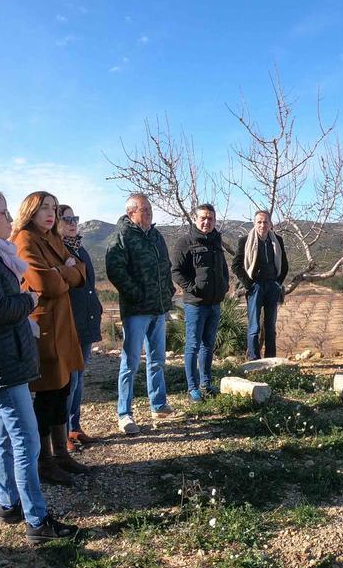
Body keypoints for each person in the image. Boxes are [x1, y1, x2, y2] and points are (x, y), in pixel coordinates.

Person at [0, 192, 76, 545]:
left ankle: (8, 502)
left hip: (7, 357)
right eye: (2, 214)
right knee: (26, 440)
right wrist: (29, 300)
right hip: (2, 361)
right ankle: (36, 520)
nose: (9, 219)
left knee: (7, 436)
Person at [11, 192, 88, 483]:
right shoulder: (25, 239)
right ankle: (44, 461)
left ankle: (61, 454)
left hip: (62, 325)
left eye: (53, 208)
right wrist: (61, 272)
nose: (51, 213)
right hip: (45, 328)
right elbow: (45, 283)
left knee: (62, 390)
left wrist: (63, 272)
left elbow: (81, 274)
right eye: (44, 208)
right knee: (47, 395)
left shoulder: (52, 238)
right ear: (30, 209)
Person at [105, 193, 177, 433]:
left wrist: (167, 292)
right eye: (144, 210)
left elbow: (165, 266)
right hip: (136, 310)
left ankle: (158, 404)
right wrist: (136, 293)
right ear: (131, 212)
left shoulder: (155, 235)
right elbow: (115, 269)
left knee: (157, 360)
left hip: (157, 308)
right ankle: (124, 413)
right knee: (130, 362)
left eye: (149, 209)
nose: (149, 213)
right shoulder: (122, 235)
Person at [171, 203, 229, 401]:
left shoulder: (216, 241)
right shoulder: (185, 242)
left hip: (214, 303)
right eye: (203, 218)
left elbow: (223, 268)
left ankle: (206, 384)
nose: (207, 221)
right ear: (195, 219)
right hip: (195, 304)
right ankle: (192, 388)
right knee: (193, 345)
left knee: (208, 345)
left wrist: (225, 285)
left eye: (210, 218)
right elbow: (176, 271)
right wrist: (193, 288)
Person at [57, 205, 103, 450]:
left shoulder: (80, 248)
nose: (72, 222)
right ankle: (62, 434)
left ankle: (75, 428)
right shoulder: (55, 249)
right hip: (68, 323)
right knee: (69, 380)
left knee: (80, 377)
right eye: (66, 219)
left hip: (86, 321)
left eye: (74, 218)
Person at [233, 209, 288, 360]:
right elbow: (236, 265)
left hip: (272, 286)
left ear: (271, 224)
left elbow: (284, 265)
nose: (262, 225)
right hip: (255, 287)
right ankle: (253, 361)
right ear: (254, 223)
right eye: (259, 222)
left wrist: (277, 284)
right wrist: (249, 284)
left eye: (265, 222)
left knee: (270, 327)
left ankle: (271, 361)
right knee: (254, 328)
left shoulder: (277, 240)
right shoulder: (244, 241)